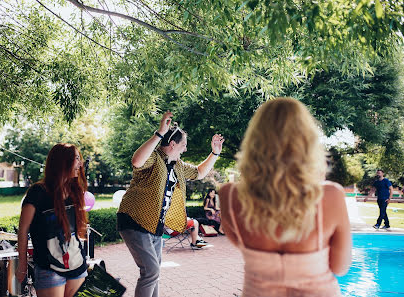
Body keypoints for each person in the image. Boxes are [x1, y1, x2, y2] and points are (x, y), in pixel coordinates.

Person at [219, 98, 352, 297]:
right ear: (307, 140)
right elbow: (340, 268)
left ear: (255, 139)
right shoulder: (331, 196)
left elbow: (242, 244)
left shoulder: (229, 196)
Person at [117, 111, 224, 297]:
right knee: (151, 272)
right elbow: (137, 160)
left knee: (153, 273)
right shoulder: (154, 157)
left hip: (155, 225)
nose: (185, 150)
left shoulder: (178, 165)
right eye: (183, 145)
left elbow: (199, 172)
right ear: (172, 144)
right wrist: (159, 133)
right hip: (134, 220)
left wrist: (215, 153)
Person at [16, 143, 88, 297]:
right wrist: (22, 265)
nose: (80, 163)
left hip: (77, 266)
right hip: (49, 268)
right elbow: (23, 230)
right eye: (76, 158)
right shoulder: (38, 192)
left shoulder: (74, 191)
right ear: (63, 161)